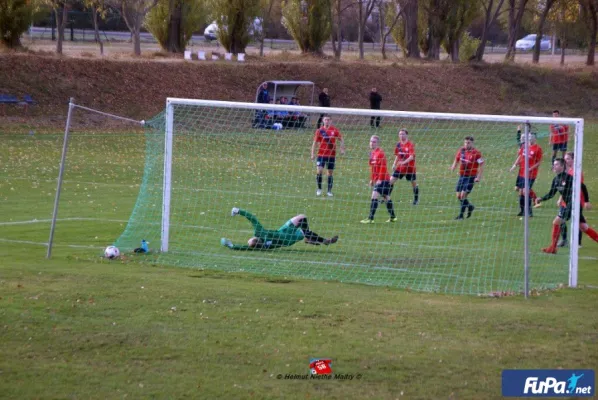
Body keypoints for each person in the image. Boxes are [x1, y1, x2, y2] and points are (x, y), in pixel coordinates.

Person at [534, 158, 598, 254]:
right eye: (554, 165)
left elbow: (583, 187)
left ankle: (553, 248)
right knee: (583, 227)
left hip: (573, 205)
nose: (554, 166)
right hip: (568, 205)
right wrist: (541, 199)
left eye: (556, 164)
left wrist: (587, 201)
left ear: (562, 166)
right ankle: (553, 247)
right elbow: (551, 193)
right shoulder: (556, 180)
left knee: (556, 222)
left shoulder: (569, 178)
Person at [221, 208, 338, 250]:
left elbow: (243, 248)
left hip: (284, 233)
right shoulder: (259, 232)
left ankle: (310, 239)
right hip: (288, 237)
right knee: (302, 218)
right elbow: (252, 218)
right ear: (254, 238)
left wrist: (230, 245)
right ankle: (324, 241)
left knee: (303, 222)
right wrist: (238, 211)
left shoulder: (261, 246)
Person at [557, 152, 591, 247]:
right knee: (560, 220)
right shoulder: (568, 170)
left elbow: (580, 187)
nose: (565, 160)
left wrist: (586, 201)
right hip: (566, 200)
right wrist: (561, 198)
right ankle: (565, 240)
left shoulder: (577, 171)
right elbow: (566, 187)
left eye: (567, 158)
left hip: (575, 200)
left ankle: (577, 243)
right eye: (565, 158)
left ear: (573, 159)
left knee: (580, 224)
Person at [361, 135, 397, 223]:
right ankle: (393, 217)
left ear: (378, 143)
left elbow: (383, 167)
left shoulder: (380, 153)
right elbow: (372, 168)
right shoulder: (372, 153)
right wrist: (372, 179)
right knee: (386, 197)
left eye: (374, 142)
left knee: (374, 196)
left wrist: (379, 179)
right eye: (371, 141)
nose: (371, 143)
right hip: (380, 179)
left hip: (383, 179)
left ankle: (370, 218)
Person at [450, 136, 484, 220]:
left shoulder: (477, 153)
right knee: (458, 196)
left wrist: (478, 177)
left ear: (472, 143)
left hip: (471, 177)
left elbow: (482, 165)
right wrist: (453, 166)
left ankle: (461, 216)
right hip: (462, 176)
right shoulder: (461, 150)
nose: (466, 144)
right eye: (465, 142)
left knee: (462, 195)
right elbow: (456, 159)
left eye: (468, 143)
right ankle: (470, 206)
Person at [509, 132, 543, 217]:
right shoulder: (525, 147)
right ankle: (522, 211)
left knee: (525, 191)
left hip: (531, 174)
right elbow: (520, 156)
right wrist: (514, 165)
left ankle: (529, 212)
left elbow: (538, 162)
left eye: (532, 137)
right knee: (520, 192)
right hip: (521, 173)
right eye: (529, 137)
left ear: (535, 138)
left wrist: (530, 169)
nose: (530, 138)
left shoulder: (538, 149)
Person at [311, 116, 345, 197]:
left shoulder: (334, 130)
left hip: (331, 155)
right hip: (321, 154)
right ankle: (319, 189)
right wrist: (312, 154)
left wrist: (342, 149)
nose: (327, 121)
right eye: (325, 120)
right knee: (319, 170)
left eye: (328, 120)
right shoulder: (319, 131)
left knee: (329, 173)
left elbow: (341, 139)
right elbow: (314, 143)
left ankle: (329, 191)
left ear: (331, 121)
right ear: (323, 121)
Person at [390, 128, 419, 205]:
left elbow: (412, 157)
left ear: (406, 135)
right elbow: (397, 155)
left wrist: (403, 162)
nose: (401, 135)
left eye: (403, 134)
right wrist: (394, 164)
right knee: (390, 181)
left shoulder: (410, 144)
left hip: (410, 168)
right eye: (400, 134)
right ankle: (387, 197)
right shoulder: (398, 145)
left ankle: (416, 200)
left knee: (413, 184)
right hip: (400, 168)